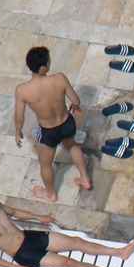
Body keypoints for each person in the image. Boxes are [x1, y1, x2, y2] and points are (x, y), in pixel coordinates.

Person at [0, 191, 134, 267]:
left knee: (76, 241)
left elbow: (15, 212)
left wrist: (39, 217)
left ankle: (120, 252)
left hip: (29, 236)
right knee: (67, 262)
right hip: (24, 254)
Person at [15, 46, 91, 202]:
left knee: (45, 164)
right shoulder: (59, 78)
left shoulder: (22, 90)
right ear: (44, 67)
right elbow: (76, 100)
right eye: (49, 61)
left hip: (48, 131)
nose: (50, 63)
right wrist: (75, 106)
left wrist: (18, 131)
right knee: (72, 146)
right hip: (66, 122)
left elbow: (19, 116)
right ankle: (85, 178)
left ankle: (50, 193)